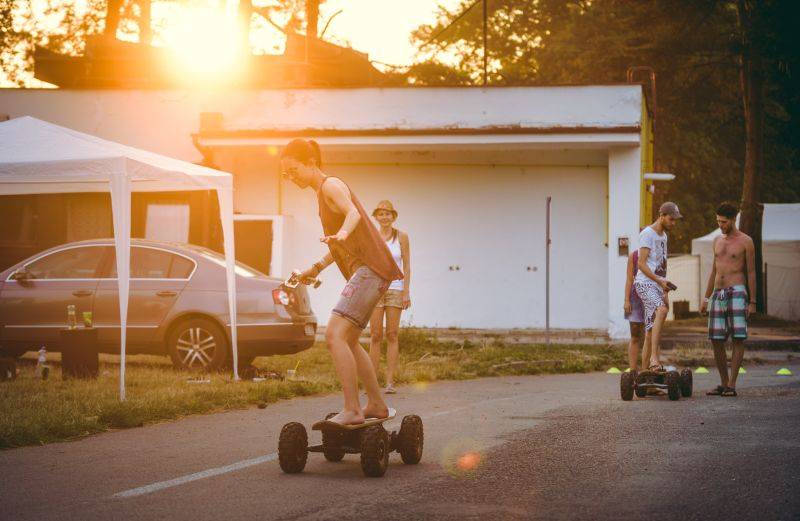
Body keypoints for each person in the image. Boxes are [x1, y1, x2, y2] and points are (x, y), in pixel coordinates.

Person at [280, 139, 404, 425]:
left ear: (311, 162)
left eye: (294, 170)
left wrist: (344, 233)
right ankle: (376, 404)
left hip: (371, 269)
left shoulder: (330, 186)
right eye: (286, 174)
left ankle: (352, 409)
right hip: (371, 271)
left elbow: (354, 214)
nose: (291, 177)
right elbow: (338, 245)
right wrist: (316, 268)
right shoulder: (321, 193)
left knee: (335, 335)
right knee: (348, 338)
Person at [700, 201, 756, 397]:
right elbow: (713, 270)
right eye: (718, 221)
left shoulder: (746, 241)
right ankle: (724, 383)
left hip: (737, 292)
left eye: (723, 222)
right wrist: (706, 298)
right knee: (716, 339)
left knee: (738, 338)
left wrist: (753, 302)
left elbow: (751, 272)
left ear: (733, 219)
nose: (720, 225)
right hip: (718, 293)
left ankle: (732, 384)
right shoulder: (717, 240)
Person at [368, 200, 411, 394]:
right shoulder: (371, 235)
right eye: (381, 214)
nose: (384, 217)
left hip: (395, 288)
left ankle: (390, 382)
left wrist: (406, 291)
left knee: (392, 335)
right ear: (376, 217)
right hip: (375, 289)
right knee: (375, 335)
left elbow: (407, 266)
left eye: (388, 214)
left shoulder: (401, 236)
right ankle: (372, 383)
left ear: (393, 216)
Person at [634, 202, 681, 371]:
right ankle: (654, 358)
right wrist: (659, 281)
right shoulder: (647, 234)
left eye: (675, 220)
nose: (673, 223)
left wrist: (663, 286)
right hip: (644, 284)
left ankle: (645, 373)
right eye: (671, 219)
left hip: (657, 285)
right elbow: (641, 264)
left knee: (649, 331)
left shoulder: (664, 236)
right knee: (662, 310)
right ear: (661, 216)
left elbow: (661, 265)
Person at [624, 248, 645, 372]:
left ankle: (649, 370)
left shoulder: (658, 254)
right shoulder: (634, 255)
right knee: (635, 335)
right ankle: (632, 371)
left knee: (652, 336)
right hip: (635, 299)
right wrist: (627, 300)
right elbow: (629, 279)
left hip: (652, 297)